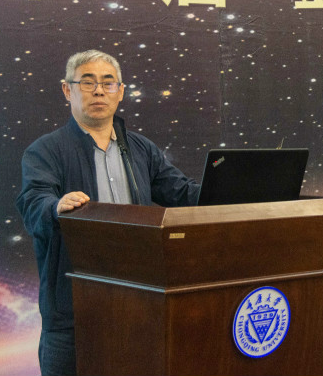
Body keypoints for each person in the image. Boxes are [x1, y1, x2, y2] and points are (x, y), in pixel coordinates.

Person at [15, 50, 200, 376]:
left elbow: (183, 194)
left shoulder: (141, 149)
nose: (99, 91)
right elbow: (33, 203)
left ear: (121, 91)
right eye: (87, 83)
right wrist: (56, 207)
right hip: (73, 315)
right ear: (67, 90)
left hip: (141, 304)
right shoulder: (45, 150)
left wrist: (237, 192)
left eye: (108, 83)